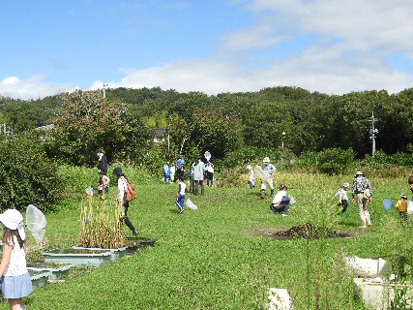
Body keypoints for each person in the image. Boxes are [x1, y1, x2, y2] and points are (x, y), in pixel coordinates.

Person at [0, 209, 33, 310]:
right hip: (21, 274)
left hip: (12, 276)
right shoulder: (20, 238)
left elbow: (5, 260)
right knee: (19, 302)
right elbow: (24, 254)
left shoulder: (8, 241)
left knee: (14, 304)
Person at [113, 167, 139, 235]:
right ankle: (120, 232)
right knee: (122, 217)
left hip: (123, 200)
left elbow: (121, 191)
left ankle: (132, 229)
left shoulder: (119, 180)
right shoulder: (124, 178)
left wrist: (120, 201)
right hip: (126, 200)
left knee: (122, 217)